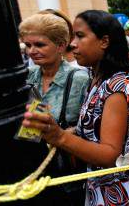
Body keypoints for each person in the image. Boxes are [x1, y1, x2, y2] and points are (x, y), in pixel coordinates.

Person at [22, 10, 129, 206]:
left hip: (121, 193)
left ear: (104, 42)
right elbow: (96, 126)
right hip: (98, 186)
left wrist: (59, 136)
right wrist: (74, 130)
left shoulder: (116, 88)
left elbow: (110, 155)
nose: (72, 43)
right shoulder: (97, 78)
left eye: (80, 36)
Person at [19, 13, 90, 205]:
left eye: (40, 45)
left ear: (60, 45)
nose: (32, 51)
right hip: (31, 168)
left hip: (66, 171)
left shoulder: (79, 79)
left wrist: (65, 133)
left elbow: (92, 125)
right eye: (28, 45)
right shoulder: (27, 76)